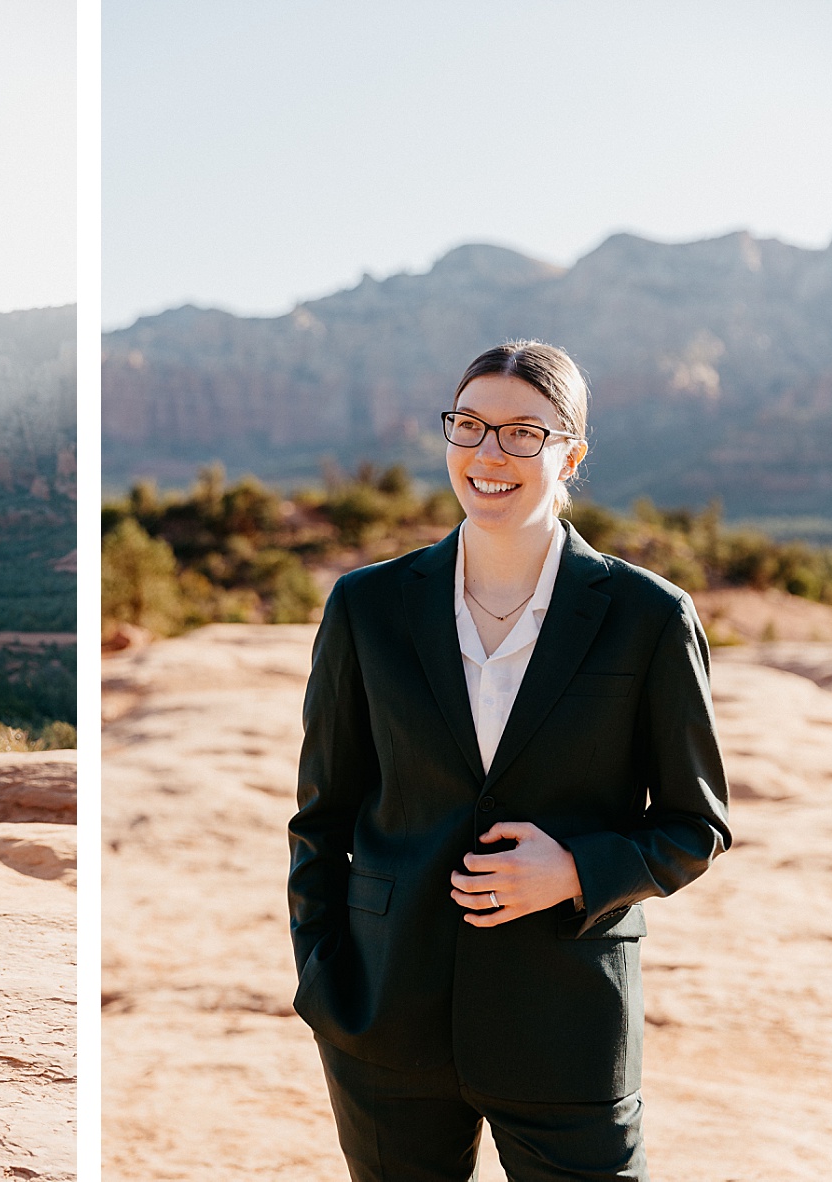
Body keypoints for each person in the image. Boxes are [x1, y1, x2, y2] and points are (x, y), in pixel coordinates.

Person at [288, 341, 732, 1180]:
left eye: (524, 433)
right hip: (385, 1020)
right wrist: (325, 982)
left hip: (568, 1023)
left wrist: (574, 871)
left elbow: (696, 825)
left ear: (572, 453)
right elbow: (321, 816)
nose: (491, 454)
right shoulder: (366, 607)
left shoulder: (649, 617)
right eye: (470, 426)